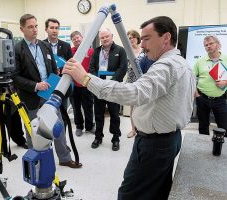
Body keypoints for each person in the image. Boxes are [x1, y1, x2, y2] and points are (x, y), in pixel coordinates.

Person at [63, 16, 195, 199]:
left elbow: (133, 93)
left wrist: (85, 78)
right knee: (158, 190)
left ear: (166, 38)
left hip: (154, 145)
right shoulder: (182, 63)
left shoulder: (166, 67)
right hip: (168, 139)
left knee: (129, 194)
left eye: (147, 38)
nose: (143, 45)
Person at [13, 14, 82, 168]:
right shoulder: (17, 49)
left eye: (36, 26)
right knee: (33, 131)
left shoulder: (45, 46)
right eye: (30, 27)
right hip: (30, 96)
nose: (34, 29)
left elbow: (52, 69)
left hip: (49, 94)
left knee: (58, 127)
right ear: (22, 29)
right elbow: (15, 77)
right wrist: (36, 85)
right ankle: (36, 161)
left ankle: (64, 158)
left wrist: (54, 83)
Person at [89, 28, 127, 151]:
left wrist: (111, 82)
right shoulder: (96, 51)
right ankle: (98, 137)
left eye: (107, 36)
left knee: (114, 114)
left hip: (114, 88)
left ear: (112, 36)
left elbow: (123, 68)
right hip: (99, 88)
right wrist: (98, 82)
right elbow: (92, 67)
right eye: (102, 37)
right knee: (99, 114)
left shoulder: (120, 50)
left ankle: (116, 138)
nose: (104, 39)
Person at [193, 35, 227, 136]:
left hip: (220, 99)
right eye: (206, 45)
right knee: (203, 127)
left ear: (218, 44)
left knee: (224, 127)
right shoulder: (200, 61)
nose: (208, 46)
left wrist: (226, 82)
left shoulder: (226, 59)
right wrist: (196, 95)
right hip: (202, 98)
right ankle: (203, 150)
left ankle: (222, 149)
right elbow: (191, 78)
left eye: (211, 43)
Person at [126, 29, 154, 138]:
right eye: (128, 38)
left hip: (144, 80)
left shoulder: (144, 50)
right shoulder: (126, 51)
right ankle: (133, 129)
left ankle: (144, 128)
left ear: (137, 38)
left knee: (145, 106)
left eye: (132, 37)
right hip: (131, 81)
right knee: (133, 107)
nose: (131, 40)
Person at [70, 31, 95, 136]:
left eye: (78, 38)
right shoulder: (70, 51)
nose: (76, 40)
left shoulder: (90, 51)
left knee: (88, 107)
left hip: (86, 84)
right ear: (72, 41)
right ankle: (79, 126)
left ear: (82, 38)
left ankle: (89, 126)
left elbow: (94, 67)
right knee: (76, 107)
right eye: (74, 39)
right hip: (74, 85)